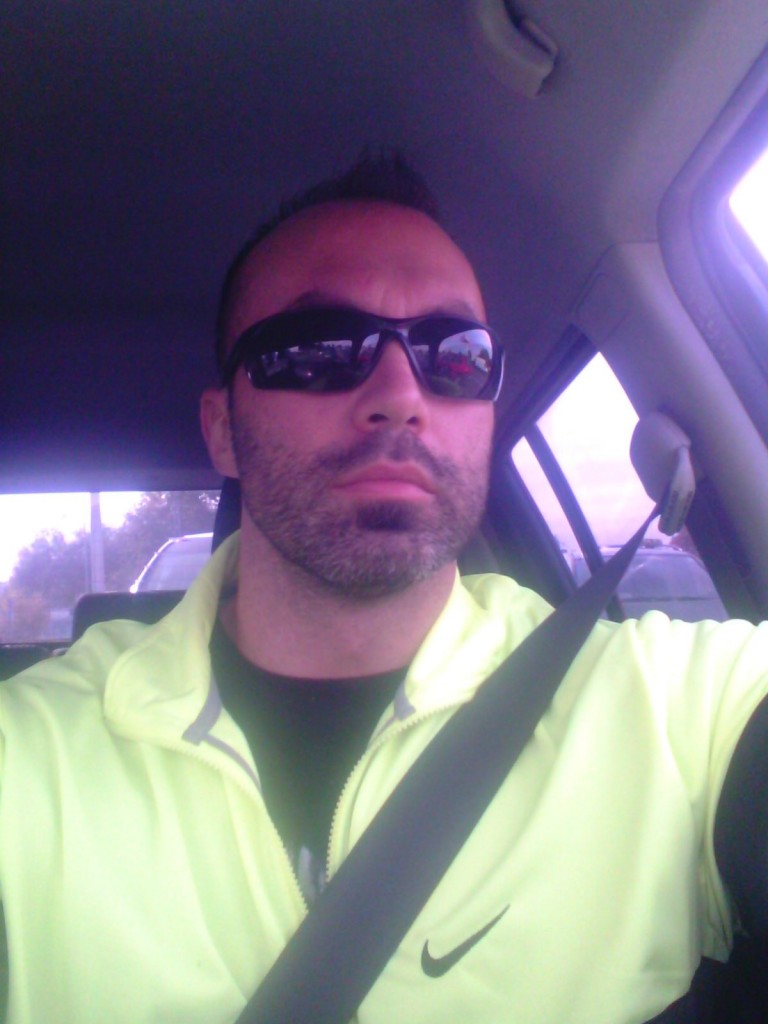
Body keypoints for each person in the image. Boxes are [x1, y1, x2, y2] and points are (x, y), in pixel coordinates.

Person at [1, 153, 767, 1024]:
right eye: (319, 350)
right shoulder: (31, 758)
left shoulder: (670, 710)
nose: (401, 395)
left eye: (457, 357)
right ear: (223, 431)